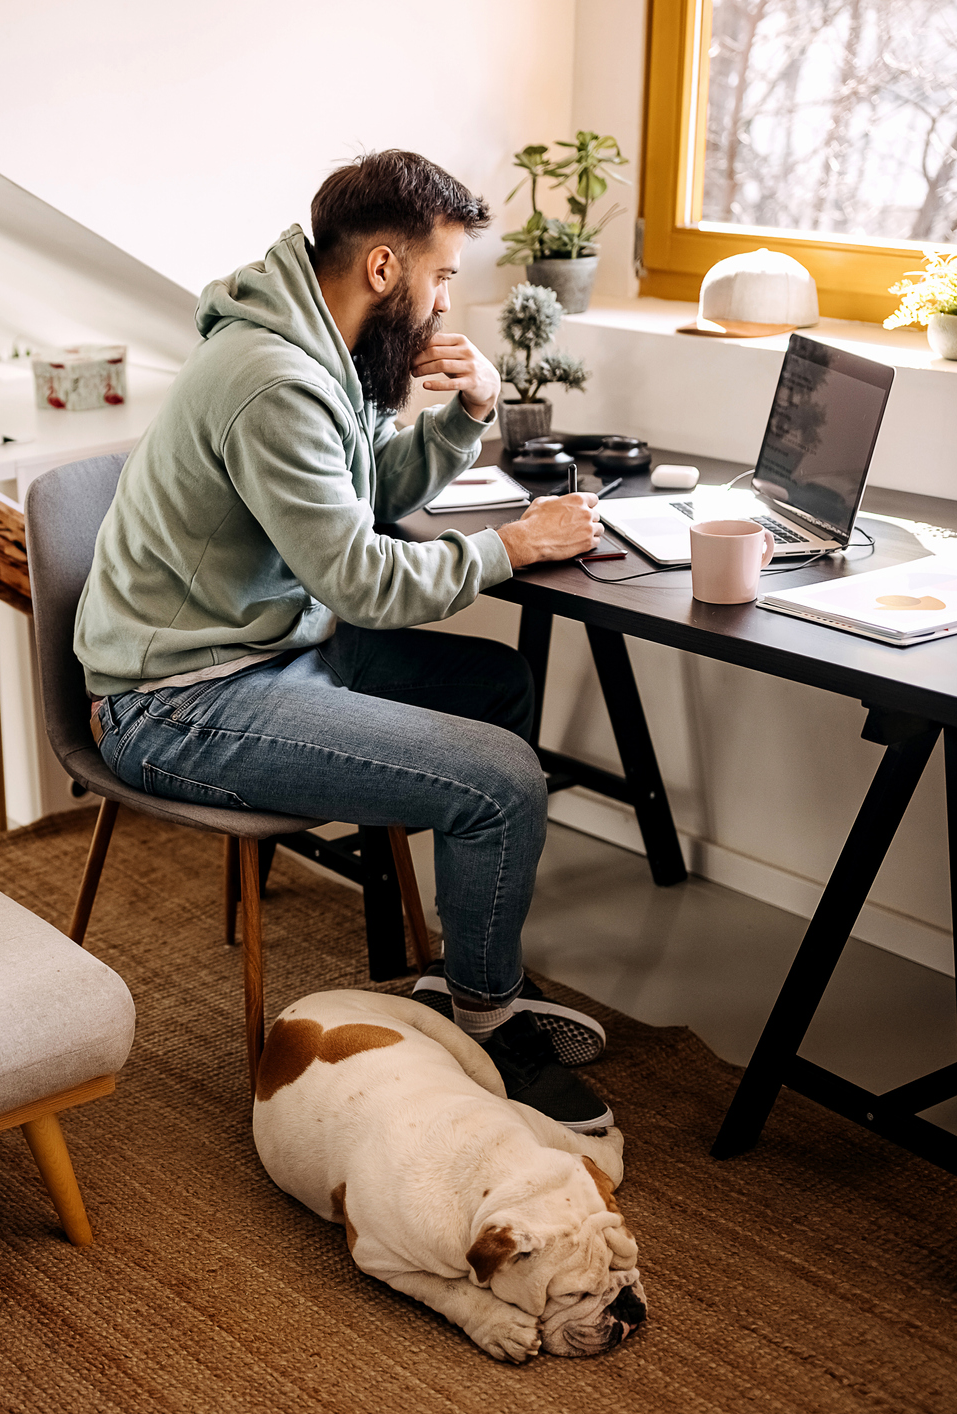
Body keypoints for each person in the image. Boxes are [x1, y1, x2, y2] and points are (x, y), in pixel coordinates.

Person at [75, 150, 613, 1130]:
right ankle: (485, 1023)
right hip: (177, 702)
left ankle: (459, 975)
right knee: (497, 779)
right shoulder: (273, 378)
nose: (445, 304)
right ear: (380, 269)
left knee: (493, 687)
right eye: (441, 275)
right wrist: (511, 545)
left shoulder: (324, 350)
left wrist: (469, 413)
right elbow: (362, 579)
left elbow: (364, 498)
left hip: (272, 647)